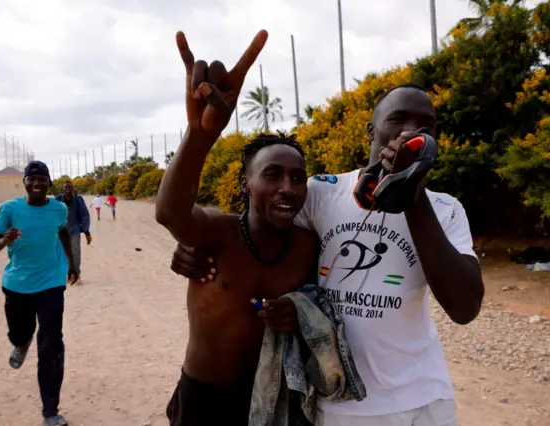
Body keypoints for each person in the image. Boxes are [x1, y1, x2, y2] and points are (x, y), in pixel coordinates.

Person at [170, 83, 485, 426]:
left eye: (426, 124)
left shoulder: (446, 209)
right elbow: (259, 230)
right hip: (341, 404)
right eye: (398, 119)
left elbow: (464, 308)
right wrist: (195, 246)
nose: (411, 130)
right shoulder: (322, 193)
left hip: (422, 399)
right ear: (371, 131)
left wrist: (412, 193)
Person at [155, 30, 320, 426]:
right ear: (246, 183)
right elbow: (170, 213)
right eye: (273, 174)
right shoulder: (217, 233)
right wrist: (200, 136)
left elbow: (328, 310)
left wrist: (298, 317)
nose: (288, 187)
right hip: (204, 401)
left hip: (276, 399)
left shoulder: (307, 246)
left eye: (298, 177)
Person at [0, 160, 79, 426]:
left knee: (51, 344)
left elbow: (62, 233)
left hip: (51, 282)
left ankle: (51, 410)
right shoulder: (10, 209)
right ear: (24, 182)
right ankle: (22, 341)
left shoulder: (59, 208)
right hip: (17, 284)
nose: (37, 183)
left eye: (42, 179)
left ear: (49, 183)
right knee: (20, 332)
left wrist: (72, 264)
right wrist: (4, 240)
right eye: (32, 179)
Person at [55, 181, 91, 280]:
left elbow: (84, 214)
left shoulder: (78, 199)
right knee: (62, 252)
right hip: (61, 231)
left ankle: (76, 273)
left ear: (73, 188)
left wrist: (86, 231)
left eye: (69, 187)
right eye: (65, 187)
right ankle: (66, 273)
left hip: (74, 230)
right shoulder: (58, 199)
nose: (67, 189)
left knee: (76, 252)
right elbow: (51, 213)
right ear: (63, 189)